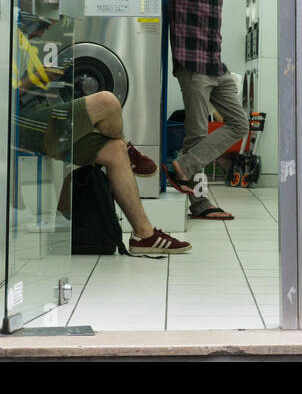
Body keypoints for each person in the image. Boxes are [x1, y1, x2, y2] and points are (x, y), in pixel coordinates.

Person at [14, 28, 189, 254]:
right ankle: (128, 147)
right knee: (108, 101)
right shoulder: (6, 36)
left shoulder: (24, 41)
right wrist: (36, 78)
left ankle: (144, 235)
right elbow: (2, 94)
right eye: (44, 24)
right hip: (23, 123)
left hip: (41, 115)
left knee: (115, 150)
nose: (45, 29)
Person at [146, 0, 246, 221]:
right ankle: (200, 204)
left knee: (239, 124)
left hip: (216, 66)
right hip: (193, 67)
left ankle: (185, 165)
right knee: (198, 134)